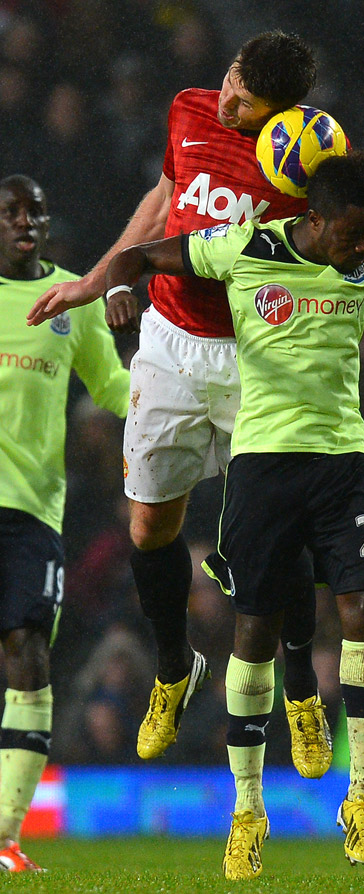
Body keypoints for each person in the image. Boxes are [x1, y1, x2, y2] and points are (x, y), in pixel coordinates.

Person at [102, 149, 364, 878]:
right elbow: (142, 256)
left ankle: (362, 800)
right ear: (314, 219)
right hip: (262, 465)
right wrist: (118, 291)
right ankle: (247, 812)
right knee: (255, 628)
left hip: (345, 462)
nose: (363, 247)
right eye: (352, 233)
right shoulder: (244, 247)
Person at [27, 29, 335, 778]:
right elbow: (165, 199)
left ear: (283, 112)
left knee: (279, 531)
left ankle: (300, 690)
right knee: (148, 526)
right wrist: (98, 279)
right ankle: (175, 667)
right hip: (170, 343)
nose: (228, 100)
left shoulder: (311, 161)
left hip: (258, 358)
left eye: (248, 101)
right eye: (230, 80)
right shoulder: (189, 109)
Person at [0, 175, 130, 872]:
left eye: (37, 211)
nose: (26, 221)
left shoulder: (72, 301)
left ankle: (4, 838)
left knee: (27, 655)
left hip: (32, 512)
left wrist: (174, 399)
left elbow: (110, 386)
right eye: (12, 212)